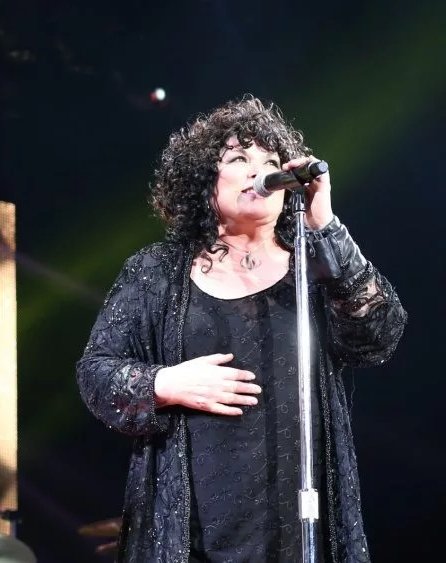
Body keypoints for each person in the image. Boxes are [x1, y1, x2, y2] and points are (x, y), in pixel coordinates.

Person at [76, 95, 406, 562]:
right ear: (202, 181)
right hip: (194, 532)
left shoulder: (315, 270)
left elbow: (379, 333)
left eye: (271, 162)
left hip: (300, 525)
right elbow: (96, 372)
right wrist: (164, 382)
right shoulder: (157, 271)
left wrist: (325, 223)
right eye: (239, 158)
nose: (259, 171)